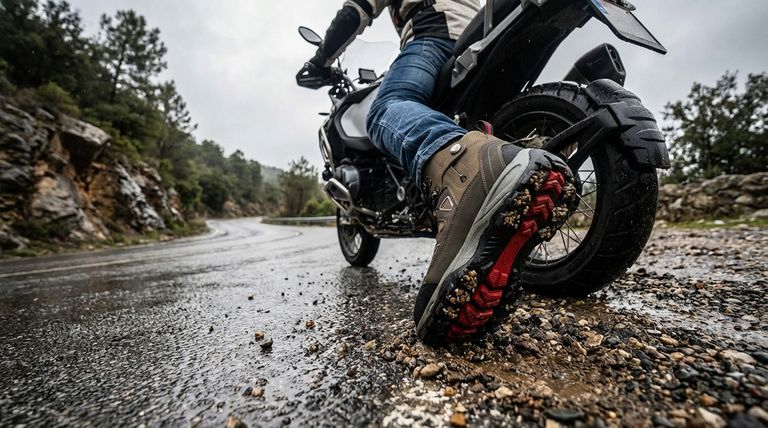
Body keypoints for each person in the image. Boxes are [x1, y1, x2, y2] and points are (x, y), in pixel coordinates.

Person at [297, 0, 573, 342]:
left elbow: (357, 10)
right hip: (482, 28)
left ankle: (463, 170)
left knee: (386, 108)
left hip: (435, 35)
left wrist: (321, 59)